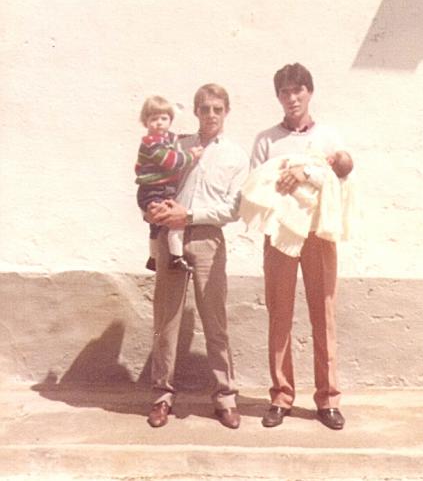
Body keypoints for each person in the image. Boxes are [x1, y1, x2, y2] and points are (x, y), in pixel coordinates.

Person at [250, 63, 354, 430]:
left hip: (317, 233)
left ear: (309, 92)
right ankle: (281, 396)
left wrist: (308, 171)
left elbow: (343, 173)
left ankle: (328, 399)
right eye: (285, 91)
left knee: (323, 313)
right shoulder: (266, 140)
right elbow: (255, 184)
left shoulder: (328, 136)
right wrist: (281, 179)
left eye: (298, 90)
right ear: (278, 96)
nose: (292, 98)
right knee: (279, 313)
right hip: (280, 233)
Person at [144, 84, 249, 430]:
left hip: (207, 239)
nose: (211, 115)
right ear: (196, 111)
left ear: (226, 111)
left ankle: (225, 397)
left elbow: (233, 209)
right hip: (170, 236)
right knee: (167, 320)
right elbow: (152, 181)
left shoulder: (235, 155)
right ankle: (162, 395)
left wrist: (189, 215)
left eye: (218, 109)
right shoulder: (177, 145)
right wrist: (151, 209)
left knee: (215, 321)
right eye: (205, 109)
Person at [239, 149, 355, 258]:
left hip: (317, 230)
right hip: (280, 222)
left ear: (331, 160)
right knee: (279, 271)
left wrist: (307, 172)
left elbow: (341, 183)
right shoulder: (265, 139)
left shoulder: (330, 143)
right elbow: (260, 171)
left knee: (319, 272)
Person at [135, 95, 203, 272]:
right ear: (145, 122)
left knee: (156, 227)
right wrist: (191, 155)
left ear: (170, 120)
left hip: (161, 189)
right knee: (173, 220)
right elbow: (171, 161)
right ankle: (176, 257)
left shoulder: (167, 138)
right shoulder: (151, 144)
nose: (159, 123)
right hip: (153, 191)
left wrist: (194, 138)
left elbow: (177, 139)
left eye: (163, 118)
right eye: (153, 119)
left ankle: (153, 258)